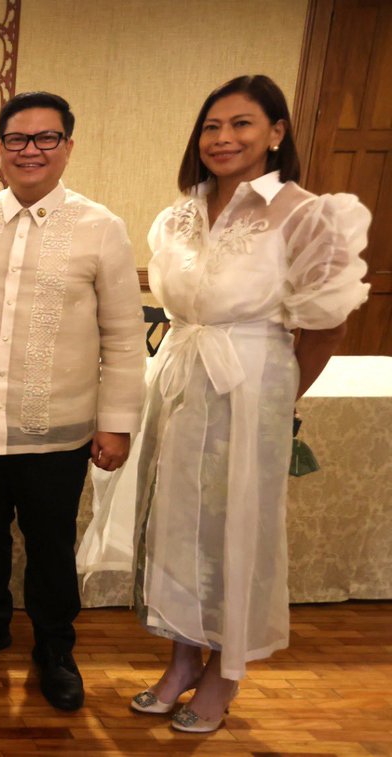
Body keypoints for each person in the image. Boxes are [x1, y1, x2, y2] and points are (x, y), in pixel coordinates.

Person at [106, 75, 370, 732]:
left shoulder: (305, 213)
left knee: (236, 530)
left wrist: (277, 396)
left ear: (276, 132)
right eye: (212, 126)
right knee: (176, 525)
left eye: (242, 124)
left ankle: (225, 675)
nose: (224, 138)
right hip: (181, 380)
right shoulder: (180, 214)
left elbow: (328, 323)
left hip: (250, 384)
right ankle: (181, 659)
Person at [0, 91, 145, 711]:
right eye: (18, 139)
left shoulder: (102, 228)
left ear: (68, 147)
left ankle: (54, 647)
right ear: (0, 149)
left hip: (59, 433)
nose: (31, 151)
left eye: (46, 138)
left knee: (51, 546)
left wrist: (118, 423)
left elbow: (125, 338)